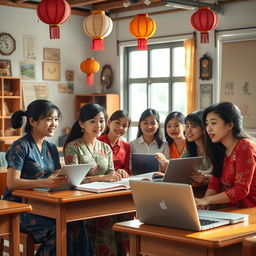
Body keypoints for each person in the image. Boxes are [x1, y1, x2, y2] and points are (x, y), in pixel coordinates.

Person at [3, 99, 90, 256]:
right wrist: (45, 181)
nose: (54, 124)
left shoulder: (51, 147)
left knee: (78, 223)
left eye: (56, 119)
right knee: (59, 228)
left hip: (43, 203)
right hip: (20, 208)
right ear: (32, 121)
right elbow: (11, 183)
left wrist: (65, 178)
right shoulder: (20, 146)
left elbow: (56, 174)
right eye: (48, 119)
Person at [64, 103, 129, 256]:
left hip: (105, 197)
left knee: (126, 216)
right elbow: (73, 180)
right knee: (105, 220)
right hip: (81, 202)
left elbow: (111, 175)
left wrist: (118, 174)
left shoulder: (105, 147)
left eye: (101, 121)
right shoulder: (73, 146)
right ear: (82, 124)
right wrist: (103, 177)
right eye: (92, 121)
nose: (98, 125)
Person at [195, 102, 256, 209]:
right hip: (229, 209)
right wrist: (204, 203)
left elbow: (241, 190)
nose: (208, 128)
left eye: (213, 123)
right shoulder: (219, 148)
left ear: (229, 125)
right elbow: (215, 181)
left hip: (249, 210)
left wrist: (206, 200)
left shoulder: (245, 146)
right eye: (207, 124)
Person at [181, 110, 212, 184]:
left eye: (194, 126)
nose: (188, 130)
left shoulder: (214, 146)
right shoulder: (190, 146)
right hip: (198, 186)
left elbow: (217, 173)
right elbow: (180, 164)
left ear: (204, 129)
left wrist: (204, 175)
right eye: (187, 126)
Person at [98, 110, 131, 176]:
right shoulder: (97, 142)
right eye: (117, 123)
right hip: (100, 180)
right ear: (109, 123)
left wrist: (122, 171)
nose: (120, 128)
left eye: (124, 126)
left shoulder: (126, 146)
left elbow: (126, 168)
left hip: (118, 181)